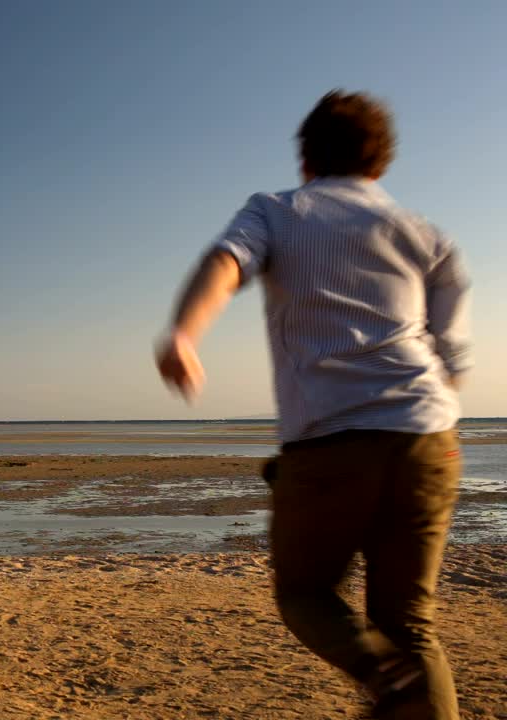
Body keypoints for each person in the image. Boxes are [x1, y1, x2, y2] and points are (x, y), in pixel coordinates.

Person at [156, 90, 471, 719]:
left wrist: (185, 333)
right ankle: (398, 678)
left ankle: (381, 672)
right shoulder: (425, 234)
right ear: (380, 163)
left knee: (304, 593)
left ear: (306, 159)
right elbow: (451, 355)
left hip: (330, 442)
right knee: (410, 624)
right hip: (429, 437)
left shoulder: (277, 211)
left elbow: (226, 263)